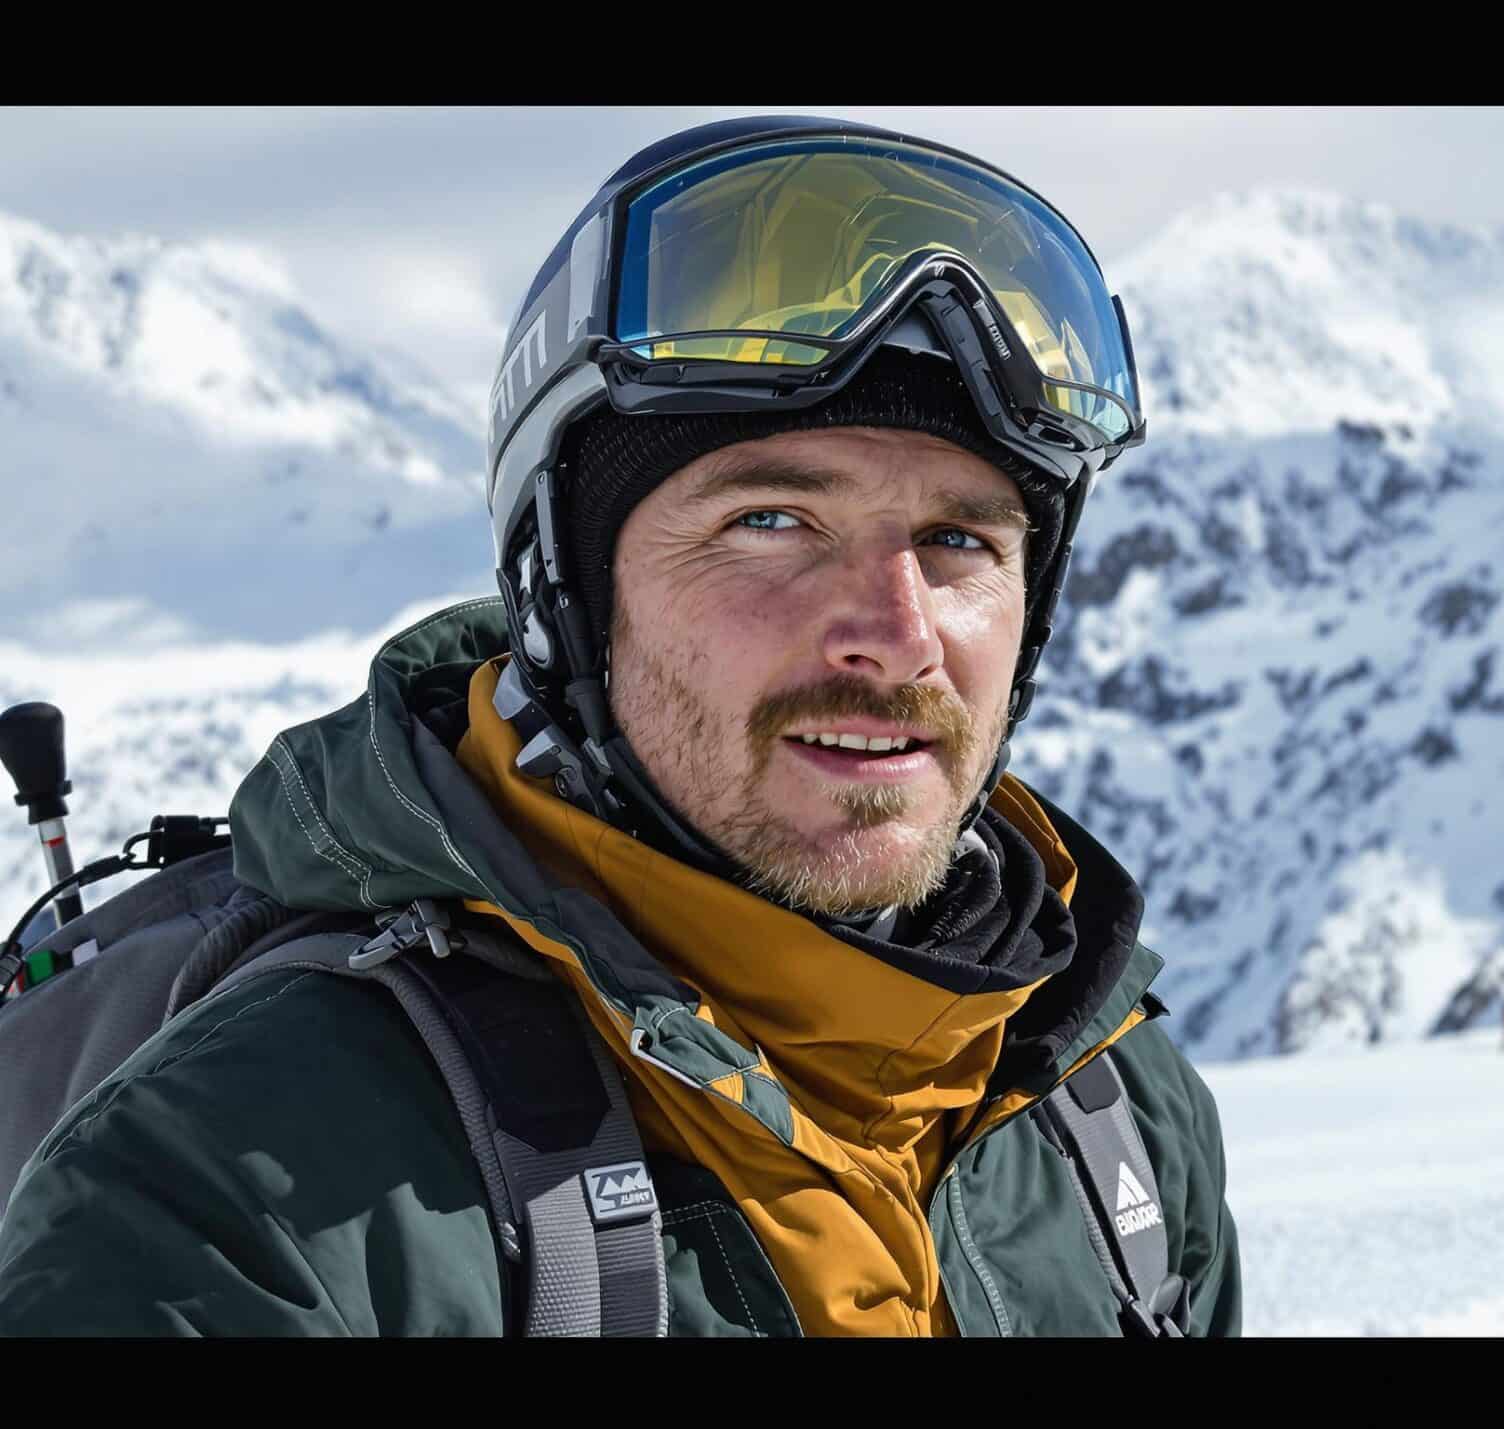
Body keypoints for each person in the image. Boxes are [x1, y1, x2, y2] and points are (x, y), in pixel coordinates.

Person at [0, 116, 1242, 1337]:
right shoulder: (246, 1199)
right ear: (567, 602)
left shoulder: (1103, 1104)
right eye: (772, 521)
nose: (896, 631)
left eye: (959, 540)